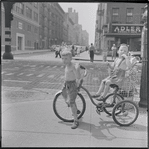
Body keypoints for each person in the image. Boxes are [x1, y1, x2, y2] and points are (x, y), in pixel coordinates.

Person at [61, 49, 81, 129]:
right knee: (63, 93)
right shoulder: (67, 65)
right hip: (66, 83)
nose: (64, 60)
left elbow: (78, 77)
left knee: (72, 102)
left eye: (66, 59)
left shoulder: (72, 66)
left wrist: (77, 69)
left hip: (72, 85)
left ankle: (76, 121)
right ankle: (75, 109)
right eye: (62, 58)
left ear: (70, 58)